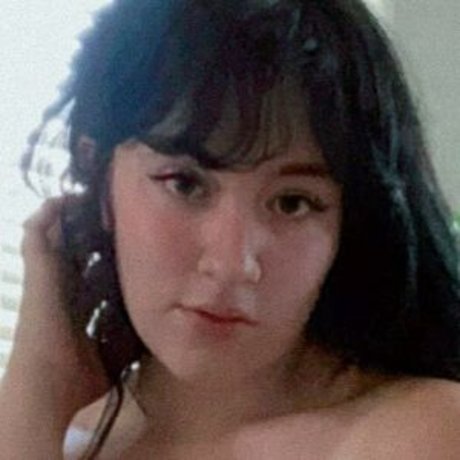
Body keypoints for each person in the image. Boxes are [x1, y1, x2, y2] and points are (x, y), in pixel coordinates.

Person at [1, 0, 460, 458]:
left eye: (293, 203)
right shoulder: (65, 433)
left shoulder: (418, 435)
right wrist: (40, 387)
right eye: (184, 184)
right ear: (98, 179)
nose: (232, 263)